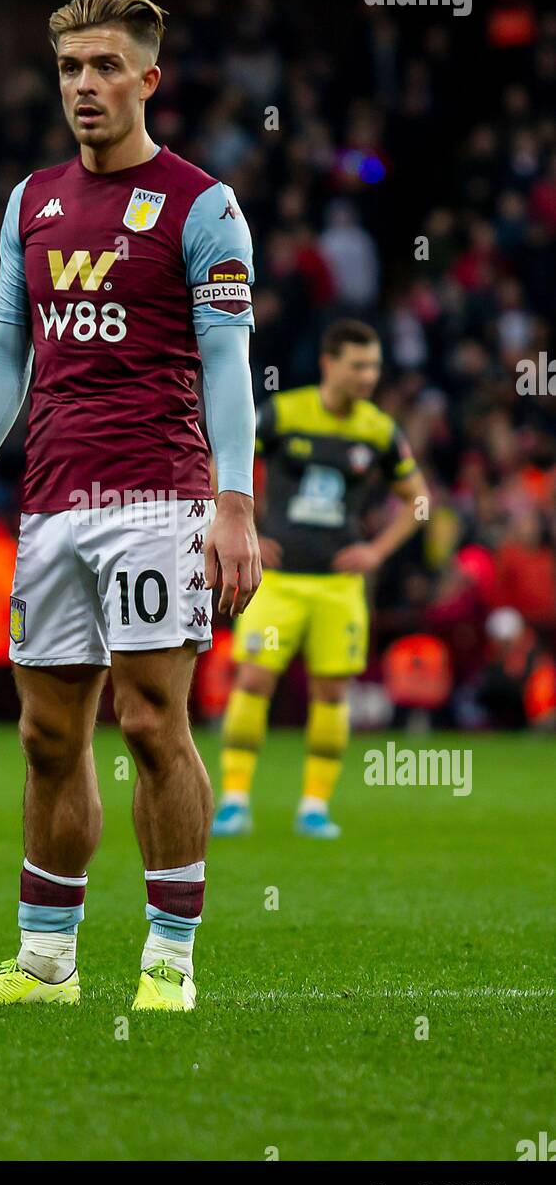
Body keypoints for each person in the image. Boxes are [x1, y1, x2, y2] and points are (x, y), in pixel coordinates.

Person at [0, 0, 260, 1013]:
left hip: (158, 499)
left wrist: (234, 504)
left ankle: (167, 961)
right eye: (70, 67)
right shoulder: (31, 202)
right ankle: (44, 963)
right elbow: (1, 354)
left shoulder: (202, 205)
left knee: (152, 721)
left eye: (105, 66)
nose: (83, 85)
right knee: (44, 735)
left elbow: (226, 361)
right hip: (54, 502)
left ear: (147, 80)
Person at [213, 318, 428, 839]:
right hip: (278, 581)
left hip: (338, 586)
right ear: (329, 363)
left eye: (374, 365)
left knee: (332, 693)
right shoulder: (284, 412)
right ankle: (235, 799)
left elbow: (419, 502)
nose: (369, 376)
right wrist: (244, 528)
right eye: (358, 365)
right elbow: (226, 464)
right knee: (254, 680)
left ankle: (314, 806)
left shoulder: (378, 429)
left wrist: (376, 550)